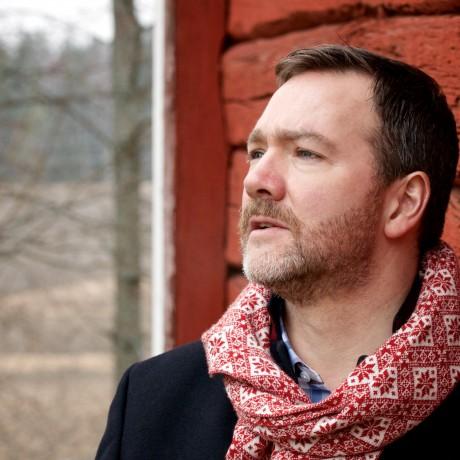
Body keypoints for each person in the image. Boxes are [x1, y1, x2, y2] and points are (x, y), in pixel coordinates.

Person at [95, 45, 459, 459]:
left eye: (306, 152)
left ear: (403, 203)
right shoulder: (153, 403)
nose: (257, 180)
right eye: (256, 152)